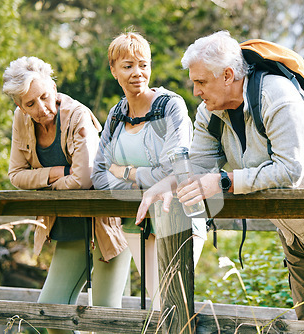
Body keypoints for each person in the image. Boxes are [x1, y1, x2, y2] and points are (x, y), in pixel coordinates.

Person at [135, 30, 304, 322]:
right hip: (292, 231)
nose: (196, 91)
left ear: (228, 75)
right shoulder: (210, 112)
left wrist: (225, 182)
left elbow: (289, 170)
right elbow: (199, 164)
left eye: (201, 82)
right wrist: (167, 182)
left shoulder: (278, 97)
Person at [3, 56, 131, 334]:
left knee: (106, 320)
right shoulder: (21, 121)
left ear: (53, 86)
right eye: (30, 104)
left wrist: (43, 183)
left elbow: (83, 180)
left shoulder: (77, 115)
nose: (41, 108)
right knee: (49, 312)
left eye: (45, 97)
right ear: (18, 105)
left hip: (104, 227)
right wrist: (57, 173)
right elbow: (15, 175)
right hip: (68, 228)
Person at [91, 31, 207, 310]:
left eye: (143, 64)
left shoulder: (171, 106)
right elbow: (97, 175)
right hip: (136, 221)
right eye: (128, 66)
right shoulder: (116, 115)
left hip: (177, 217)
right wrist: (143, 180)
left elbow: (174, 169)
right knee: (160, 306)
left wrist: (126, 172)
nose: (137, 73)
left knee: (173, 305)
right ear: (113, 70)